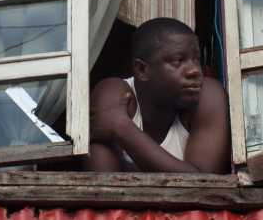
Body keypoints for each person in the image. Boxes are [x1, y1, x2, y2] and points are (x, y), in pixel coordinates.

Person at [87, 18, 230, 174]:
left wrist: (121, 127)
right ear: (142, 70)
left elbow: (206, 183)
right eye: (178, 61)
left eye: (196, 60)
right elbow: (105, 189)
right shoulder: (114, 94)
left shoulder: (208, 95)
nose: (194, 70)